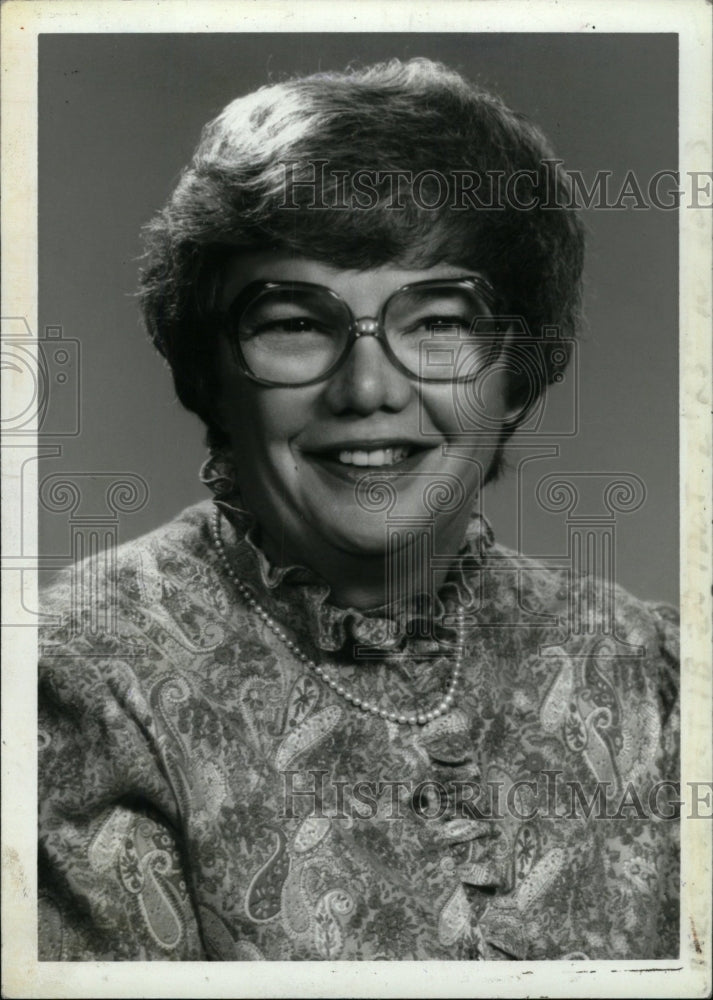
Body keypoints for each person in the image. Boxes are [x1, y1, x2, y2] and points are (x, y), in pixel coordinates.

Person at [38, 58, 679, 961]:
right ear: (214, 371)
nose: (368, 387)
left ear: (514, 370)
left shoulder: (645, 666)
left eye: (440, 323)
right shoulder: (77, 684)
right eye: (296, 322)